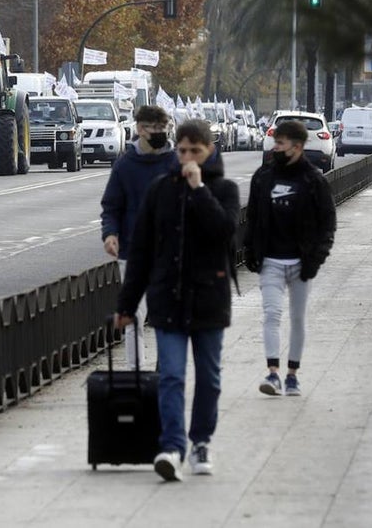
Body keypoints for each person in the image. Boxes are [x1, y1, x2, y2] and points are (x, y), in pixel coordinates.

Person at [114, 119, 240, 482]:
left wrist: (199, 190)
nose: (186, 158)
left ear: (209, 151)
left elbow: (224, 232)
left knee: (209, 378)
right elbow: (140, 252)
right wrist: (127, 306)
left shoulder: (225, 189)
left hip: (209, 299)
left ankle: (201, 442)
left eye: (194, 151)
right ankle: (171, 445)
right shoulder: (160, 190)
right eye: (182, 150)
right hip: (168, 298)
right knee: (170, 375)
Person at [243, 119, 337, 398]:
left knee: (297, 318)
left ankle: (292, 375)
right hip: (270, 260)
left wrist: (316, 259)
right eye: (275, 143)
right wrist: (250, 250)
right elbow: (253, 217)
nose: (276, 148)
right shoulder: (263, 177)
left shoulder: (313, 180)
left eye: (281, 144)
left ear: (297, 147)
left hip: (300, 262)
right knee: (271, 314)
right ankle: (272, 373)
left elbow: (327, 223)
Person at [100, 105, 177, 368]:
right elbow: (111, 205)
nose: (161, 133)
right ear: (140, 129)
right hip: (132, 251)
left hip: (167, 252)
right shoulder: (125, 164)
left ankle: (164, 370)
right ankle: (136, 372)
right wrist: (110, 234)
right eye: (155, 128)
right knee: (134, 314)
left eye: (164, 128)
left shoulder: (174, 162)